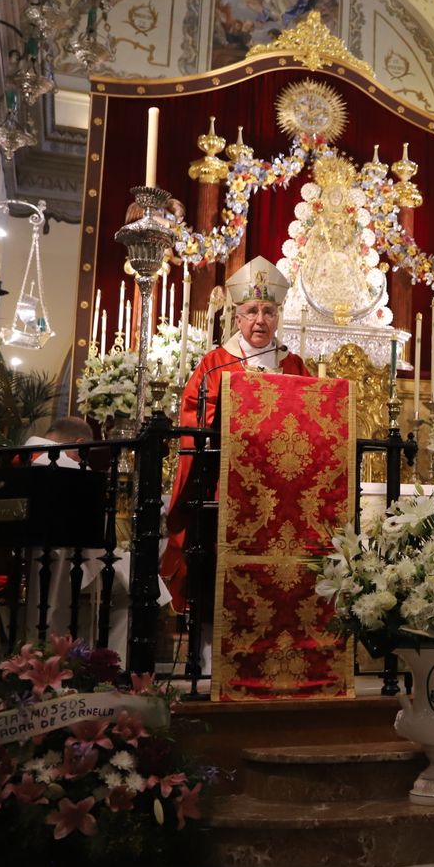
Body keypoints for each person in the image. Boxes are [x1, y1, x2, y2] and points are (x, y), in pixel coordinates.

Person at [161, 257, 309, 610]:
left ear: (277, 317)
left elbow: (310, 420)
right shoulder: (216, 363)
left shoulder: (293, 364)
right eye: (252, 310)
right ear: (237, 316)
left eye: (269, 311)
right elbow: (195, 415)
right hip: (226, 482)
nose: (261, 320)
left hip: (280, 488)